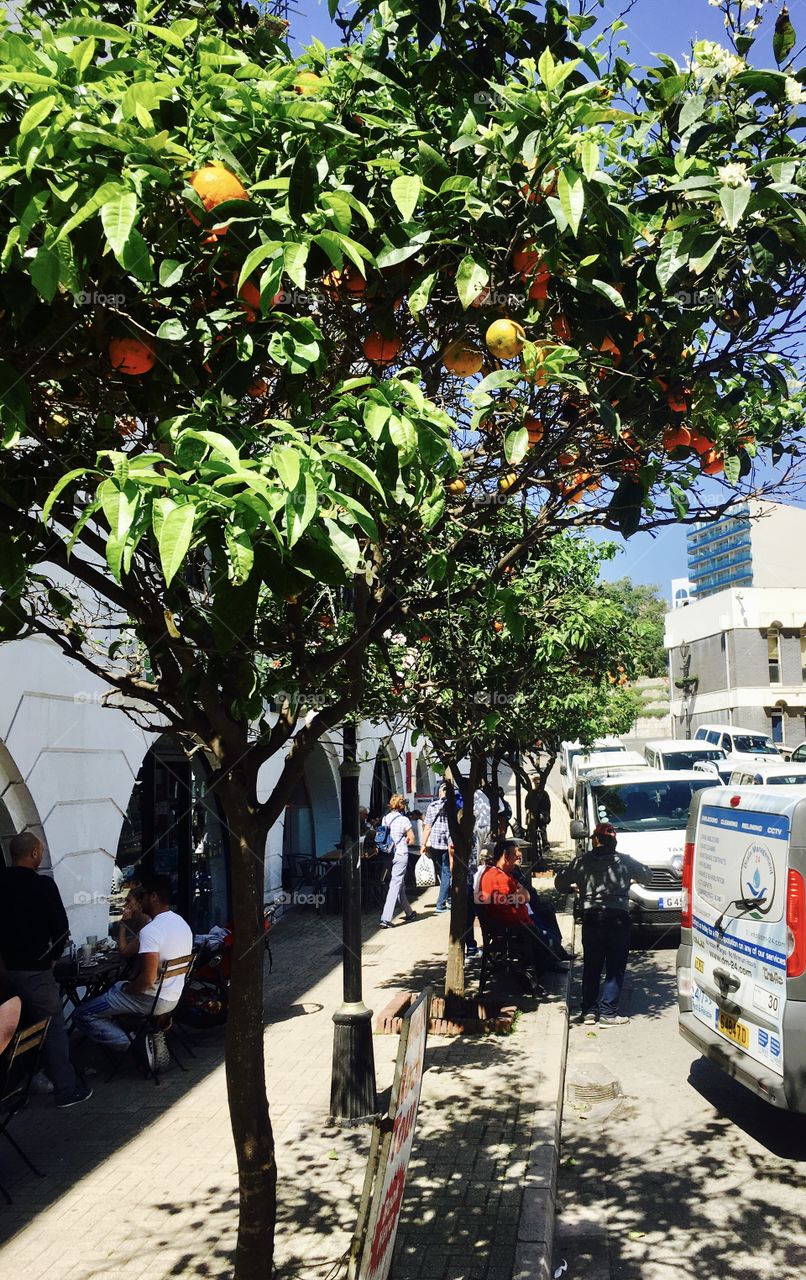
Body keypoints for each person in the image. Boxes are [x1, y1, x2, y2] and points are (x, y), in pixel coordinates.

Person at [0, 830, 92, 1108]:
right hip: (35, 970)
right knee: (53, 1028)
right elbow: (61, 928)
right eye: (40, 851)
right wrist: (52, 957)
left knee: (11, 1030)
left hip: (4, 971)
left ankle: (12, 1090)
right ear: (34, 854)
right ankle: (66, 1089)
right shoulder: (42, 885)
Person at [74, 874, 192, 1052]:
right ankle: (145, 1034)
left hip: (152, 999)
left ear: (153, 897)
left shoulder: (151, 930)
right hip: (173, 997)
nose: (141, 901)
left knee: (82, 1014)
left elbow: (148, 980)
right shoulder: (181, 923)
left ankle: (135, 1045)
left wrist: (128, 989)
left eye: (143, 896)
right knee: (116, 988)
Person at [555, 822, 652, 1026]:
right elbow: (647, 875)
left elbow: (559, 883)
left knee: (592, 965)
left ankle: (589, 1011)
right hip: (618, 918)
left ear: (596, 840)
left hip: (592, 918)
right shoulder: (625, 861)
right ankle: (608, 1013)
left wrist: (573, 888)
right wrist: (630, 879)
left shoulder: (580, 862)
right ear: (613, 842)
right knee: (615, 967)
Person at [475, 839, 568, 976]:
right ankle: (538, 973)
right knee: (550, 940)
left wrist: (522, 895)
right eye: (515, 856)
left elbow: (525, 895)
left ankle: (549, 961)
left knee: (547, 925)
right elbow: (524, 896)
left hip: (512, 925)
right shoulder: (500, 878)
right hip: (515, 929)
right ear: (505, 856)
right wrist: (521, 895)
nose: (517, 859)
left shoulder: (496, 873)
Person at [379, 794, 417, 928]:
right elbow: (412, 840)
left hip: (388, 854)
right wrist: (406, 839)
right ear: (402, 806)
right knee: (395, 885)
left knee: (399, 885)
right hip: (400, 854)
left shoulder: (385, 819)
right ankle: (385, 918)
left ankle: (409, 913)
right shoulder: (404, 820)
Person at [422, 784, 452, 913]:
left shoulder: (432, 806)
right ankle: (441, 904)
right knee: (446, 872)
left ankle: (448, 898)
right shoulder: (453, 805)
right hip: (448, 842)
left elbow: (427, 827)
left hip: (435, 843)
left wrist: (423, 844)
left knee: (442, 871)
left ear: (440, 792)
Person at [117, 886, 151, 958]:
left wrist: (123, 925)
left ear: (139, 903)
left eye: (128, 901)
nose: (126, 905)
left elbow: (124, 953)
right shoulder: (143, 921)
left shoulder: (148, 926)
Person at [524, 777, 551, 860]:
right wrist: (528, 811)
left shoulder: (544, 794)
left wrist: (546, 813)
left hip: (541, 817)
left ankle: (545, 844)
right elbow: (526, 804)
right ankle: (531, 845)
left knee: (543, 830)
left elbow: (548, 805)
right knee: (531, 831)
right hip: (533, 817)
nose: (537, 785)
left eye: (539, 783)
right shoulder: (531, 793)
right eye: (536, 783)